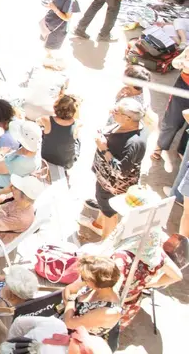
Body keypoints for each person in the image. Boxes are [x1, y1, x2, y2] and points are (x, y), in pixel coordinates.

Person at [83, 97, 146, 239]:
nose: (112, 112)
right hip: (104, 181)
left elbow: (121, 172)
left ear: (128, 118)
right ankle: (99, 224)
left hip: (113, 187)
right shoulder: (126, 124)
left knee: (110, 213)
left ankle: (106, 242)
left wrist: (104, 148)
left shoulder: (133, 143)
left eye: (116, 111)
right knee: (104, 205)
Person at [63, 256, 122, 339]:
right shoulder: (94, 286)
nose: (82, 280)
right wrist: (70, 313)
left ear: (96, 281)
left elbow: (69, 323)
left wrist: (71, 299)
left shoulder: (108, 311)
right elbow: (67, 289)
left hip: (75, 339)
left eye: (84, 278)